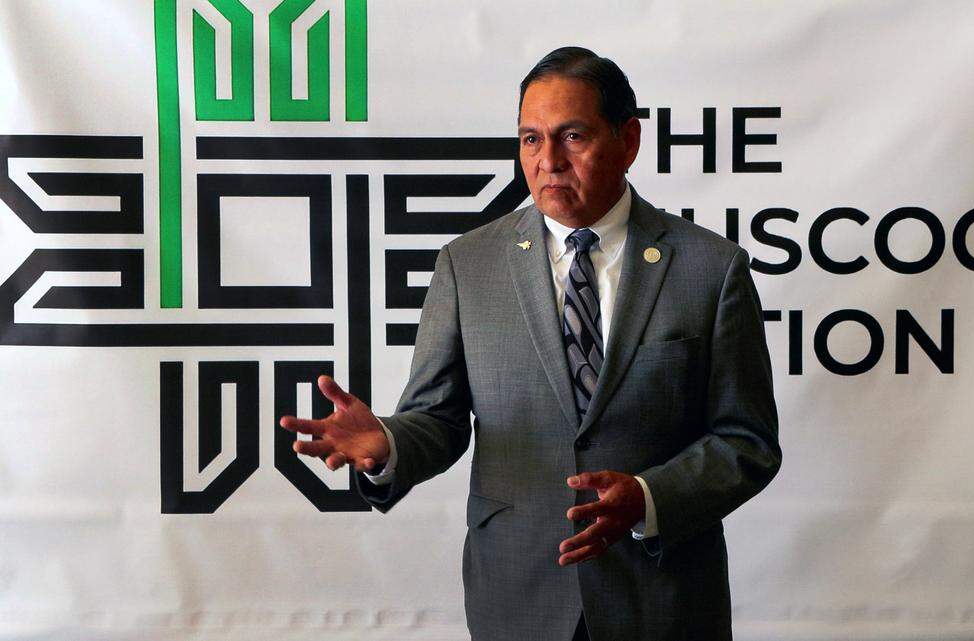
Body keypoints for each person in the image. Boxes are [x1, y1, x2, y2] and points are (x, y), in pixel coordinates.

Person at [278, 46, 780, 641]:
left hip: (662, 599)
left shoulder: (709, 269)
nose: (548, 162)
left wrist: (647, 498)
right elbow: (436, 419)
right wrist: (385, 443)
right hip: (516, 596)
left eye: (572, 136)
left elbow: (745, 442)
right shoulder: (469, 266)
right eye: (531, 140)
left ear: (628, 140)